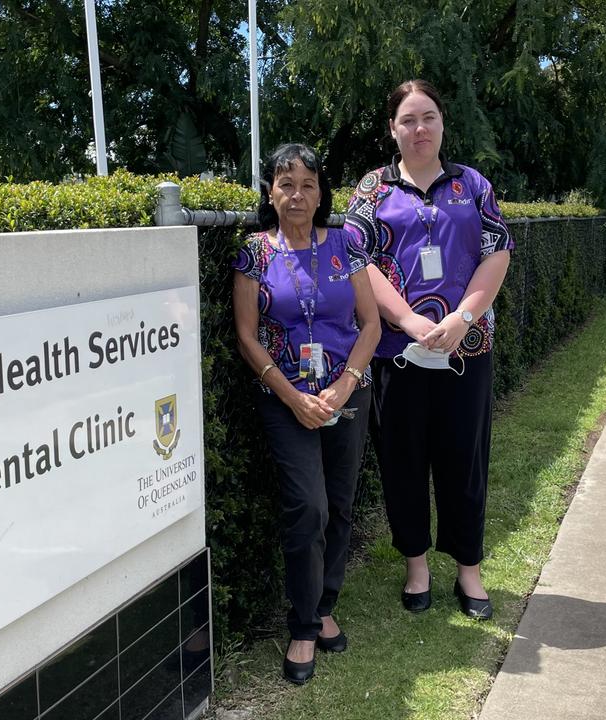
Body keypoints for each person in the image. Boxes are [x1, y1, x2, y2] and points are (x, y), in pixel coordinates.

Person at [345, 79, 513, 620]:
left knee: (465, 459)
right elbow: (359, 262)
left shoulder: (473, 185)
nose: (420, 129)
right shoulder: (373, 189)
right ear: (392, 129)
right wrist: (409, 319)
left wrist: (464, 317)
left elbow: (497, 254)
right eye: (408, 120)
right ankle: (416, 565)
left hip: (467, 348)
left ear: (443, 122)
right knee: (404, 460)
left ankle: (469, 569)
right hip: (396, 350)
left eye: (429, 117)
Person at [232, 143, 381, 684]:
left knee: (339, 505)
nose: (297, 195)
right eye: (285, 184)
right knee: (308, 508)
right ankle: (300, 626)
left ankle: (323, 609)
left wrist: (343, 387)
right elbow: (247, 337)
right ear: (270, 192)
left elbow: (370, 325)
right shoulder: (253, 252)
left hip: (346, 396)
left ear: (322, 193)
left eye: (308, 185)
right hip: (284, 400)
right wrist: (295, 397)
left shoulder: (348, 244)